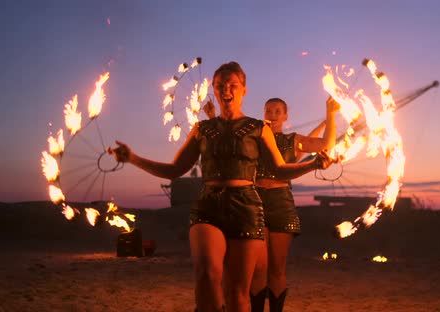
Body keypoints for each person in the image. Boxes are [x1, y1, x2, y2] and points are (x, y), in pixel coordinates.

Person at [108, 61, 334, 312]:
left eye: (232, 85)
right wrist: (133, 158)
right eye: (220, 86)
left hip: (246, 207)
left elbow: (279, 169)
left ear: (243, 90)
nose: (226, 90)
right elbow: (174, 170)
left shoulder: (259, 129)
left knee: (238, 293)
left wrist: (314, 164)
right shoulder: (202, 129)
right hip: (209, 206)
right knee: (207, 275)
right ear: (214, 90)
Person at [250, 97, 338, 312]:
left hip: (281, 202)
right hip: (255, 201)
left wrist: (330, 114)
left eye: (277, 111)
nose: (272, 114)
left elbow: (325, 145)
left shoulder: (292, 140)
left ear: (285, 116)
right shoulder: (254, 139)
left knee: (277, 270)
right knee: (259, 269)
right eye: (268, 110)